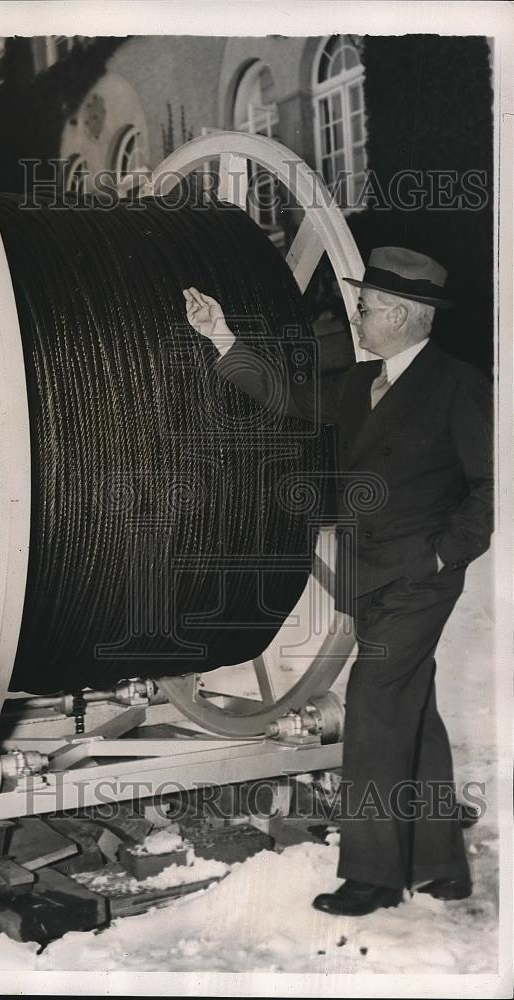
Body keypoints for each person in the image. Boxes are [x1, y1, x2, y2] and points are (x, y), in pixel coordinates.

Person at [183, 246, 494, 916]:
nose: (355, 317)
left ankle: (373, 877)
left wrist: (443, 557)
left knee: (375, 709)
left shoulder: (456, 384)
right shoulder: (361, 383)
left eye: (365, 307)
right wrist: (220, 336)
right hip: (368, 574)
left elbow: (490, 488)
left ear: (404, 314)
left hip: (417, 578)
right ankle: (441, 865)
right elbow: (283, 394)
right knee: (411, 710)